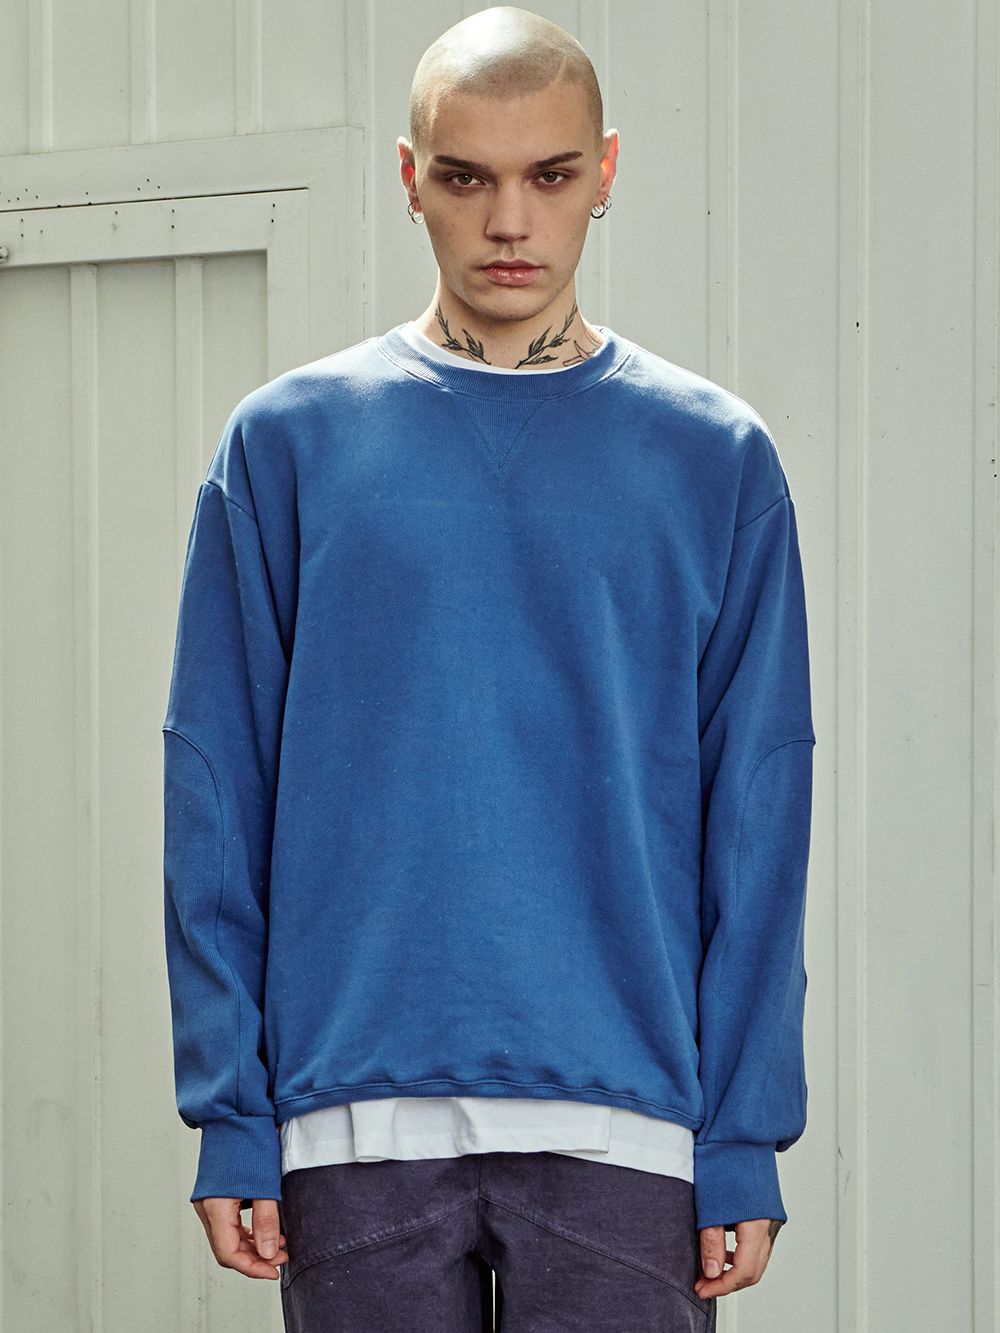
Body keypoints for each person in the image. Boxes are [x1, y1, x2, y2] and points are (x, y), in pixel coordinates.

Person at [160, 7, 816, 1329]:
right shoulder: (286, 447)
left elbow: (759, 814)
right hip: (353, 1123)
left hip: (631, 1127)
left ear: (605, 172)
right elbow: (216, 789)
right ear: (411, 180)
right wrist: (231, 1110)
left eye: (549, 175)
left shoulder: (714, 461)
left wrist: (743, 1132)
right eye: (467, 178)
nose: (509, 220)